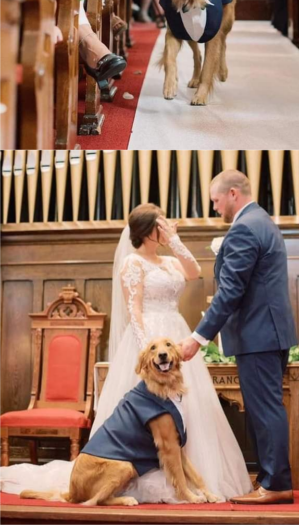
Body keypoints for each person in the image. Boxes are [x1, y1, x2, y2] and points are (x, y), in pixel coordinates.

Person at [0, 204, 250, 503]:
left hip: (174, 335)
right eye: (163, 224)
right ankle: (131, 476)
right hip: (149, 343)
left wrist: (174, 241)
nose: (169, 226)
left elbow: (195, 271)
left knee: (189, 410)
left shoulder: (170, 262)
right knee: (146, 414)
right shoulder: (132, 263)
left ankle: (198, 478)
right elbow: (135, 311)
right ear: (148, 230)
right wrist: (153, 357)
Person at [179, 170, 298, 505]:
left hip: (258, 334)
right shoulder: (262, 221)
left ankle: (275, 484)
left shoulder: (245, 227)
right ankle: (270, 479)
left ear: (233, 193)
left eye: (216, 201)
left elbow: (230, 292)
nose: (215, 208)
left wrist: (198, 338)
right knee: (267, 408)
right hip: (269, 332)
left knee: (265, 410)